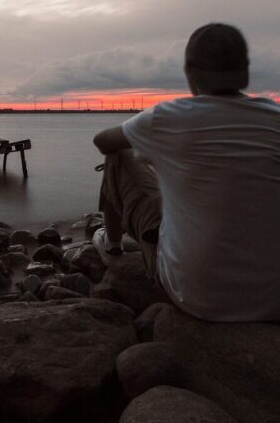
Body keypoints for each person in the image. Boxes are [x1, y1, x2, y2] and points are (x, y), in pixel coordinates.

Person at [92, 23, 280, 322]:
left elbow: (102, 141)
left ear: (190, 72)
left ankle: (111, 246)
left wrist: (158, 156)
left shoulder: (168, 118)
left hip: (196, 296)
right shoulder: (274, 119)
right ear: (244, 71)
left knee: (118, 156)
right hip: (272, 300)